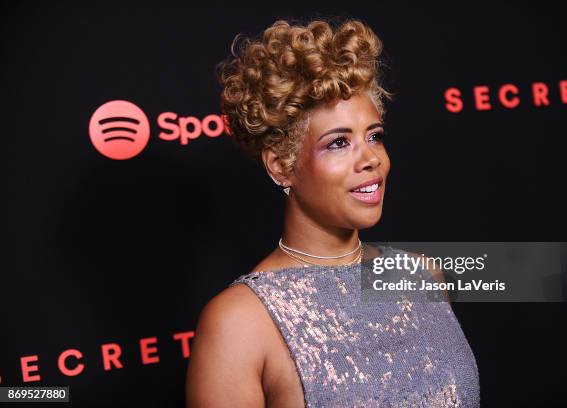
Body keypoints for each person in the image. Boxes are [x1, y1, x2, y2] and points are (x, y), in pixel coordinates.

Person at [186, 18, 479, 407]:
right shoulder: (239, 323)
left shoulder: (422, 276)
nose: (371, 158)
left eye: (373, 136)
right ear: (281, 165)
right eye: (339, 143)